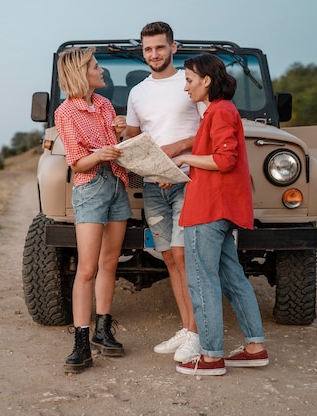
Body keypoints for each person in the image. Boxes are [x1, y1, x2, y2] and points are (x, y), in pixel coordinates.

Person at [175, 53, 269, 376]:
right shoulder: (220, 111)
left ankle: (211, 356)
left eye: (189, 81)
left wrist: (185, 158)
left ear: (206, 81)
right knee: (231, 277)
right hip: (220, 208)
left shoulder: (220, 112)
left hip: (208, 209)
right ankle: (255, 347)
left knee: (202, 280)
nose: (185, 88)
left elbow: (224, 160)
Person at [124, 21, 202, 363]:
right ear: (142, 52)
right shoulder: (137, 92)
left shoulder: (190, 82)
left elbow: (210, 130)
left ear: (173, 47)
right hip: (156, 186)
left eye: (159, 47)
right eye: (147, 49)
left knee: (186, 258)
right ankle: (188, 328)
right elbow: (131, 138)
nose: (153, 54)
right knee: (169, 257)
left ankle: (198, 335)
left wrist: (178, 148)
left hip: (190, 181)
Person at [54, 47, 132, 374]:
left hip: (117, 183)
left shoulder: (103, 104)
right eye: (97, 67)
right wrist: (102, 153)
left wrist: (120, 132)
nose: (103, 72)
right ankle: (81, 341)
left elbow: (113, 147)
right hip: (91, 186)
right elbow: (77, 162)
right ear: (81, 72)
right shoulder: (65, 112)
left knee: (109, 263)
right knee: (86, 268)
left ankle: (103, 329)